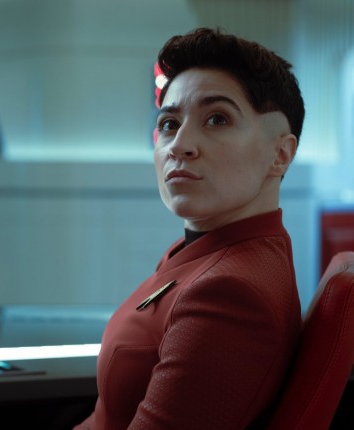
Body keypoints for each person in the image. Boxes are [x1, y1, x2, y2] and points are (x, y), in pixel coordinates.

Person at [74, 27, 304, 429]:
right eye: (169, 123)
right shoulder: (202, 252)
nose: (180, 145)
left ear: (280, 155)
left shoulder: (230, 292)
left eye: (216, 119)